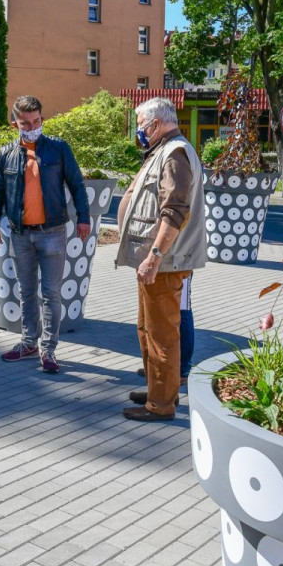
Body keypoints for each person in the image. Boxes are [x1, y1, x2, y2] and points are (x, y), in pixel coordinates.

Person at [115, 97, 206, 421]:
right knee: (148, 330)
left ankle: (161, 405)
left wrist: (154, 256)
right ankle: (158, 391)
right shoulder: (164, 150)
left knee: (162, 334)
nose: (138, 130)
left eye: (140, 124)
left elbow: (175, 211)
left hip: (165, 262)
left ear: (155, 124)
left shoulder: (174, 154)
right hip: (158, 262)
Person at [0, 96, 91, 373]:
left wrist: (83, 218)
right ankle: (28, 342)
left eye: (36, 121)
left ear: (42, 120)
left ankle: (48, 350)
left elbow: (77, 184)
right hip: (20, 234)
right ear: (15, 124)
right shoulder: (5, 154)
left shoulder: (58, 149)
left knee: (51, 293)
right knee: (26, 291)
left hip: (53, 232)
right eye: (25, 123)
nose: (31, 127)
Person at [137, 275, 194, 386]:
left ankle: (183, 370)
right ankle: (158, 369)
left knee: (182, 312)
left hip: (180, 266)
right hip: (168, 268)